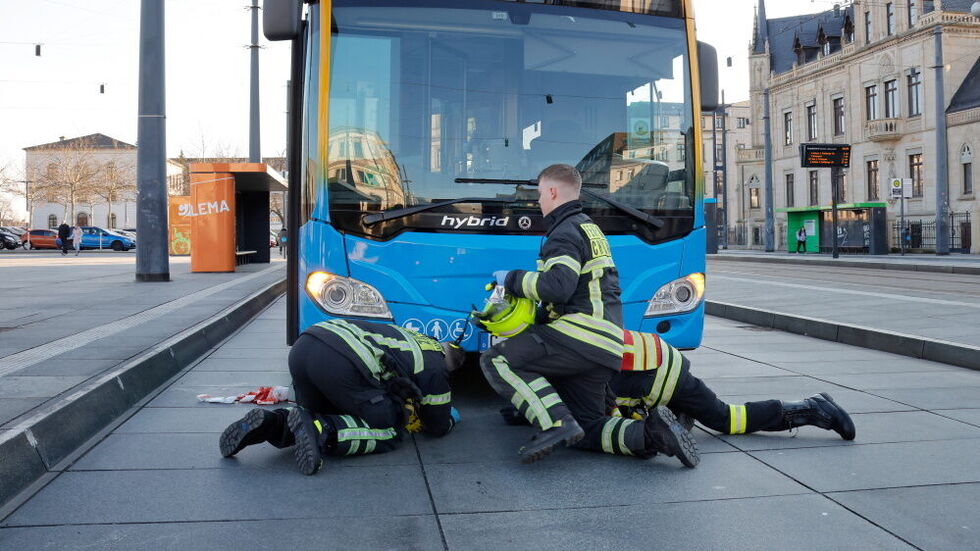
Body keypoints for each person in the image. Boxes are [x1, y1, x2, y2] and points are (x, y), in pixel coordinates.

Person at [478, 164, 698, 467]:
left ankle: (554, 423)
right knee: (587, 428)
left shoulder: (563, 232)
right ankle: (653, 434)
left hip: (581, 335)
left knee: (496, 359)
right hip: (606, 343)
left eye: (540, 194)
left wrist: (512, 279)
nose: (539, 202)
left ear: (553, 192)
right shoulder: (588, 227)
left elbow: (558, 287)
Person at [219, 319, 463, 475]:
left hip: (306, 345)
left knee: (322, 412)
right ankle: (321, 431)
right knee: (389, 425)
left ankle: (271, 424)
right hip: (341, 360)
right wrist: (451, 418)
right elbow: (437, 425)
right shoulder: (436, 363)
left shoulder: (411, 337)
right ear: (451, 364)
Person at [604, 329, 854, 440]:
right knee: (727, 416)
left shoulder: (571, 376)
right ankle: (682, 411)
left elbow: (608, 415)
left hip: (661, 377)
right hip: (661, 360)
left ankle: (811, 409)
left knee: (728, 420)